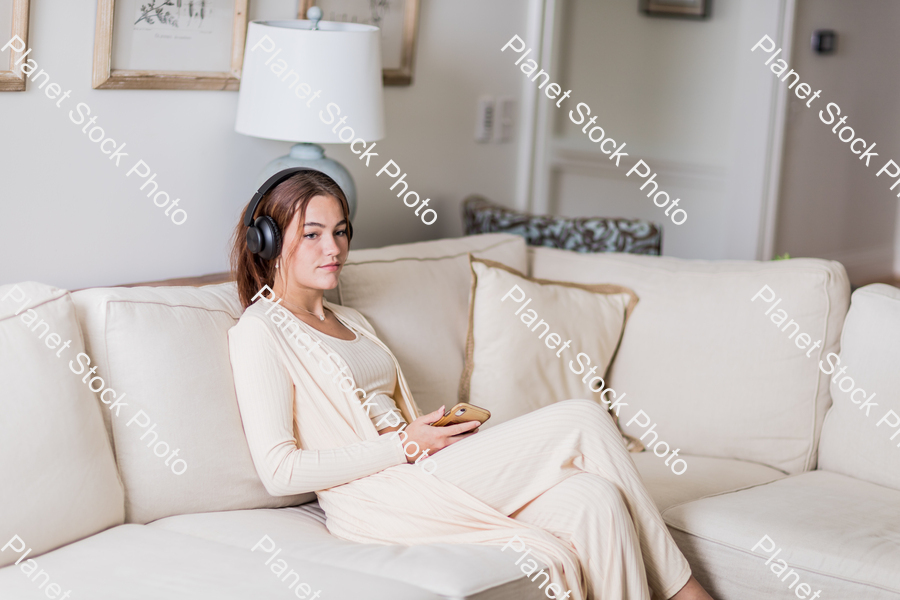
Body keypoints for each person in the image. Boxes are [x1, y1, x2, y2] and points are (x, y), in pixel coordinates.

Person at [227, 169, 714, 600]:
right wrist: (404, 445)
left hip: (418, 469)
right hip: (378, 499)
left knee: (595, 499)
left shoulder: (352, 319)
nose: (332, 249)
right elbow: (280, 471)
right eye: (311, 235)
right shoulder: (261, 330)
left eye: (339, 232)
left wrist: (431, 435)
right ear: (266, 240)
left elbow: (394, 418)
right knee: (583, 418)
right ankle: (685, 592)